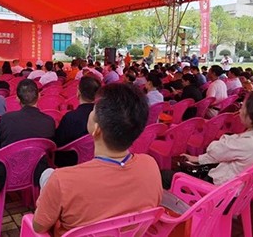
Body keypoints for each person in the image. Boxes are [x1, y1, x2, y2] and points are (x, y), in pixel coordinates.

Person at [32, 84, 162, 236]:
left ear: (97, 128)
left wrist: (48, 192)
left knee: (46, 174)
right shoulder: (150, 166)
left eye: (94, 109)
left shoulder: (62, 180)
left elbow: (38, 226)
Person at [175, 90, 253, 187]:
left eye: (242, 107)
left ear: (251, 118)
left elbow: (214, 150)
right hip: (239, 189)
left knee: (168, 175)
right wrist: (199, 159)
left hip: (218, 191)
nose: (240, 111)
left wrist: (227, 138)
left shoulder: (248, 143)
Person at [54, 73, 101, 166]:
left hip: (72, 164)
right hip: (99, 161)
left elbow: (57, 143)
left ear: (78, 92)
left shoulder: (70, 118)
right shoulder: (106, 116)